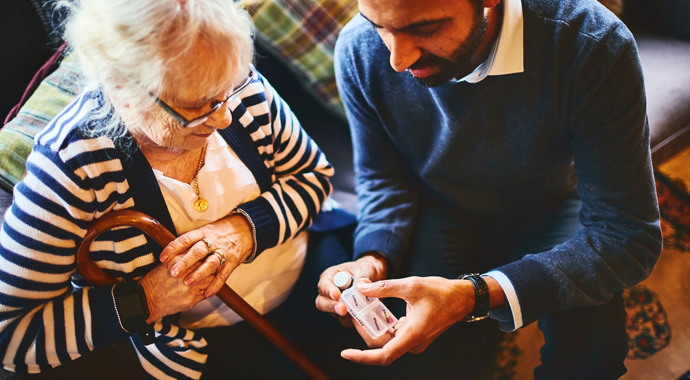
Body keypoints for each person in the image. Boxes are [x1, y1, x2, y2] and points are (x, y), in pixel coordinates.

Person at [0, 0, 356, 379]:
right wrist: (146, 299)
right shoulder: (72, 166)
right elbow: (11, 339)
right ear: (123, 89)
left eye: (227, 90)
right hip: (206, 346)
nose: (224, 116)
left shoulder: (235, 85)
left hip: (311, 275)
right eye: (197, 106)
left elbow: (313, 176)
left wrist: (243, 230)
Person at [315, 0, 663, 378]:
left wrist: (475, 296)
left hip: (550, 203)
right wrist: (372, 258)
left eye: (426, 28)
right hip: (439, 210)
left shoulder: (591, 43)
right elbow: (383, 177)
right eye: (379, 27)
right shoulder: (358, 48)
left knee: (592, 356)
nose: (397, 60)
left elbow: (627, 238)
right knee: (414, 361)